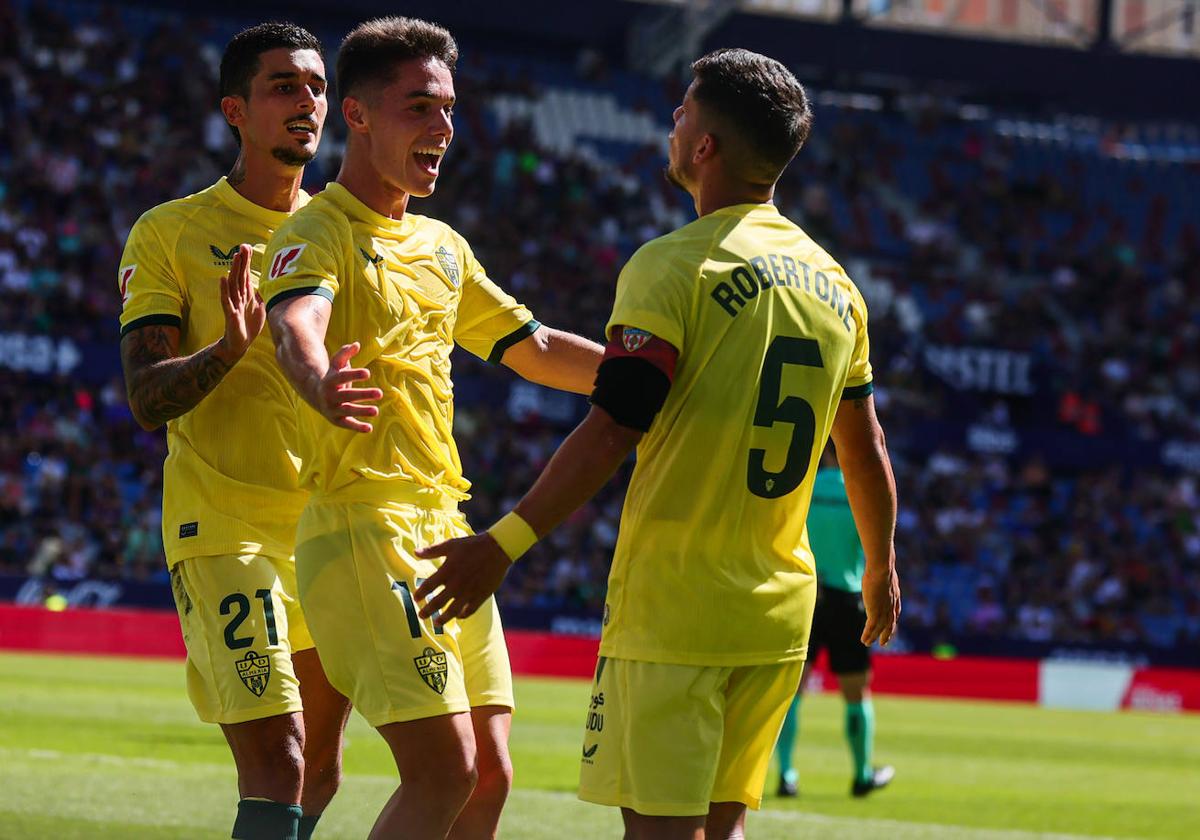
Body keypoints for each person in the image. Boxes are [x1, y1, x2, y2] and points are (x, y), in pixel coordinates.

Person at [416, 47, 902, 840]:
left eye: (683, 113)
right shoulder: (837, 285)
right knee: (727, 828)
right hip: (780, 610)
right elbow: (865, 448)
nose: (673, 125)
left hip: (676, 610)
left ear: (705, 146)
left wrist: (501, 543)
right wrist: (880, 570)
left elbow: (615, 423)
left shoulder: (674, 267)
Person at [261, 17, 603, 840]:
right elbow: (296, 326)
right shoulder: (319, 228)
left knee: (488, 777)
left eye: (449, 110)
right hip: (361, 526)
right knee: (443, 770)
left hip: (446, 531)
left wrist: (661, 383)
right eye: (421, 107)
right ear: (361, 115)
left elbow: (538, 349)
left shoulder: (445, 248)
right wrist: (319, 381)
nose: (444, 129)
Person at [117, 23, 350, 840]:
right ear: (236, 112)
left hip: (326, 531)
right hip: (222, 526)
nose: (308, 103)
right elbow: (146, 398)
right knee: (280, 759)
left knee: (323, 766)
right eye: (285, 86)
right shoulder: (169, 231)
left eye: (318, 87)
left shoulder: (339, 233)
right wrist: (226, 348)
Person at [774, 447, 895, 799]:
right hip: (847, 599)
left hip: (805, 595)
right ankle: (861, 775)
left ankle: (786, 775)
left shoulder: (804, 486)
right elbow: (876, 551)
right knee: (856, 694)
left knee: (791, 694)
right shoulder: (859, 490)